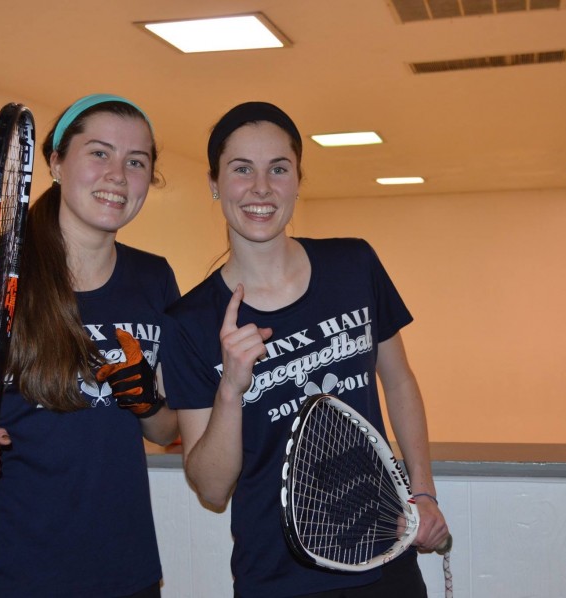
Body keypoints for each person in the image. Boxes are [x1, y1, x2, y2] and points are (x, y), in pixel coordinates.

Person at [161, 101, 449, 597]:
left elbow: (398, 379)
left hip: (383, 552)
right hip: (276, 575)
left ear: (298, 179)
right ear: (214, 183)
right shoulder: (189, 323)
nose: (261, 188)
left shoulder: (354, 265)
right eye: (241, 169)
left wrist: (421, 490)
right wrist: (231, 388)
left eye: (279, 168)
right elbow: (210, 490)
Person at [0, 93, 180, 598]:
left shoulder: (154, 278)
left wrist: (147, 401)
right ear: (54, 161)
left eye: (136, 161)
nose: (118, 174)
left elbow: (166, 430)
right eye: (99, 153)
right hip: (7, 571)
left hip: (125, 572)